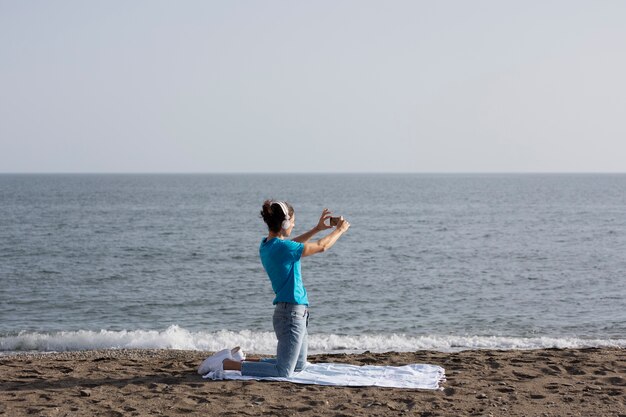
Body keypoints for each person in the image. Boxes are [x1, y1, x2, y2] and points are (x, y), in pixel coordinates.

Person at [199, 200, 350, 377]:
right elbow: (321, 247)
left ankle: (239, 359)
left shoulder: (268, 245)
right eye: (293, 221)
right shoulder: (284, 248)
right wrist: (339, 229)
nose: (294, 224)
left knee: (299, 366)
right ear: (285, 223)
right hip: (291, 314)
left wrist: (317, 229)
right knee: (283, 371)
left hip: (295, 313)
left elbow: (293, 244)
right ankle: (226, 363)